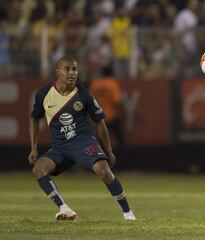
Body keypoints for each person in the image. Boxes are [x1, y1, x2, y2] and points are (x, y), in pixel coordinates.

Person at [28, 57, 135, 221]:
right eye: (67, 69)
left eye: (75, 69)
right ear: (58, 72)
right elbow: (34, 119)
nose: (71, 73)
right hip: (60, 147)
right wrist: (34, 148)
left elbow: (100, 124)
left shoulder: (84, 94)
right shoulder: (43, 94)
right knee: (38, 169)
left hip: (83, 143)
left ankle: (128, 213)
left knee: (104, 171)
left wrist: (109, 151)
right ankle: (65, 209)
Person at [90, 65, 125, 154]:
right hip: (112, 116)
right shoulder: (112, 84)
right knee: (120, 140)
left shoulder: (95, 84)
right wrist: (122, 113)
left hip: (99, 118)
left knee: (101, 143)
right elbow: (117, 101)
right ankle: (123, 163)